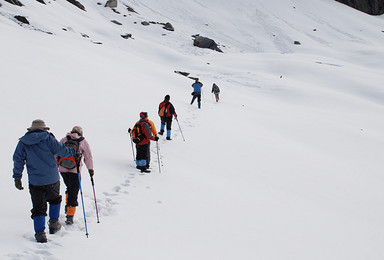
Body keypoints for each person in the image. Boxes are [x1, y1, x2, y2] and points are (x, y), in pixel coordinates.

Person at [12, 119, 76, 243]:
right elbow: (63, 151)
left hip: (36, 181)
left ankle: (40, 234)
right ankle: (53, 224)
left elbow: (18, 160)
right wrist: (73, 151)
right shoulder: (48, 138)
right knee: (55, 200)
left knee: (38, 207)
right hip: (52, 178)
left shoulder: (24, 142)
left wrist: (17, 177)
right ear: (43, 129)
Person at [58, 126, 94, 225]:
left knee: (69, 188)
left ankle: (68, 206)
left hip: (62, 169)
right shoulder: (83, 142)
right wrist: (90, 169)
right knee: (73, 191)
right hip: (75, 171)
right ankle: (70, 215)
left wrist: (56, 165)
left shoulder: (64, 139)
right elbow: (88, 157)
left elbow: (56, 153)